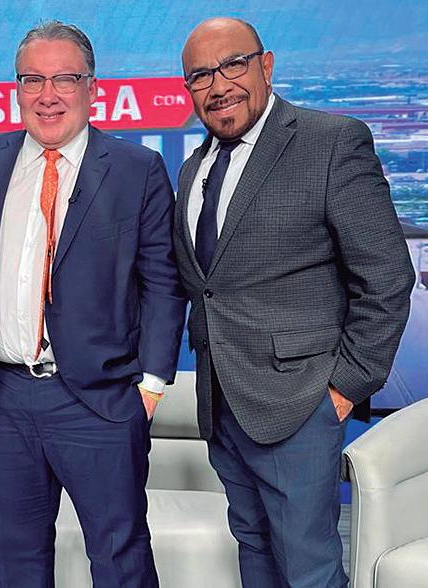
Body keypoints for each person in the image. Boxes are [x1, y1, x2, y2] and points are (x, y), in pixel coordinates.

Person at [0, 20, 185, 588]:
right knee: (16, 563)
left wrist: (149, 388)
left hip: (99, 401)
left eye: (64, 79)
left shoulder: (135, 170)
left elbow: (163, 283)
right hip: (2, 399)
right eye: (33, 80)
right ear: (17, 89)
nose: (47, 95)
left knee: (120, 561)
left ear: (92, 88)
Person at [174, 17, 415, 587]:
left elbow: (386, 276)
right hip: (224, 406)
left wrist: (343, 389)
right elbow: (208, 286)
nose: (218, 85)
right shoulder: (193, 169)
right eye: (201, 75)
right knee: (255, 555)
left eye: (233, 65)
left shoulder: (330, 141)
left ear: (266, 65)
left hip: (300, 405)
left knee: (309, 571)